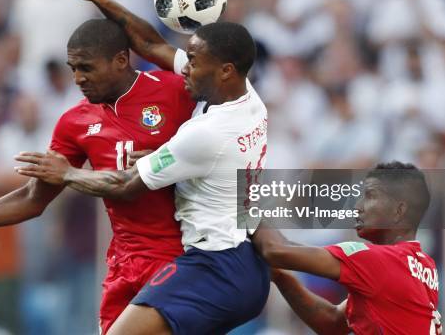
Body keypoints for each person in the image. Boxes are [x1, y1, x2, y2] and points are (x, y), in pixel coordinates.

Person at [0, 18, 197, 334]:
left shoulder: (176, 90)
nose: (78, 78)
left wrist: (259, 234)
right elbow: (33, 198)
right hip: (125, 265)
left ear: (121, 60)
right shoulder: (75, 122)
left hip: (184, 257)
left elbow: (235, 143)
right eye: (73, 68)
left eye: (87, 68)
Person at [14, 19, 270, 335]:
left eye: (192, 62)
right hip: (205, 259)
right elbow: (151, 44)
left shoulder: (198, 126)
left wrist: (67, 173)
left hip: (205, 262)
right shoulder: (251, 103)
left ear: (226, 70)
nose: (184, 69)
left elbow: (126, 185)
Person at [252, 162, 441, 335]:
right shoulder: (424, 266)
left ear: (398, 210)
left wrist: (243, 207)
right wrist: (281, 277)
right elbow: (332, 323)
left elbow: (274, 250)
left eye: (370, 196)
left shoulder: (377, 260)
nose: (358, 206)